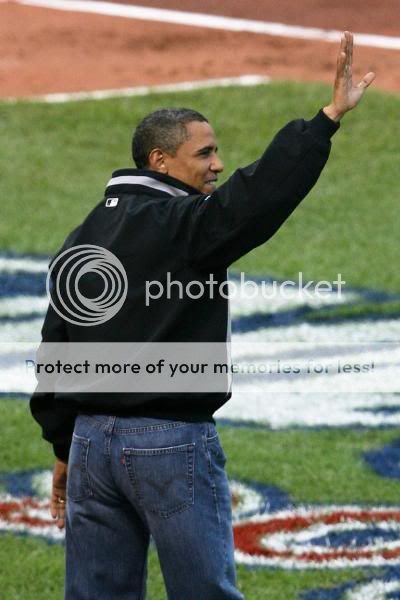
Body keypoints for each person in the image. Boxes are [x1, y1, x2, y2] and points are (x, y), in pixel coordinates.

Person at [30, 32, 374, 599]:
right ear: (160, 161)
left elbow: (56, 347)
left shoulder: (84, 235)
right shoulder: (182, 224)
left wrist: (64, 445)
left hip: (91, 444)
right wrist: (326, 120)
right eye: (205, 154)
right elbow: (257, 198)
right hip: (168, 442)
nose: (218, 164)